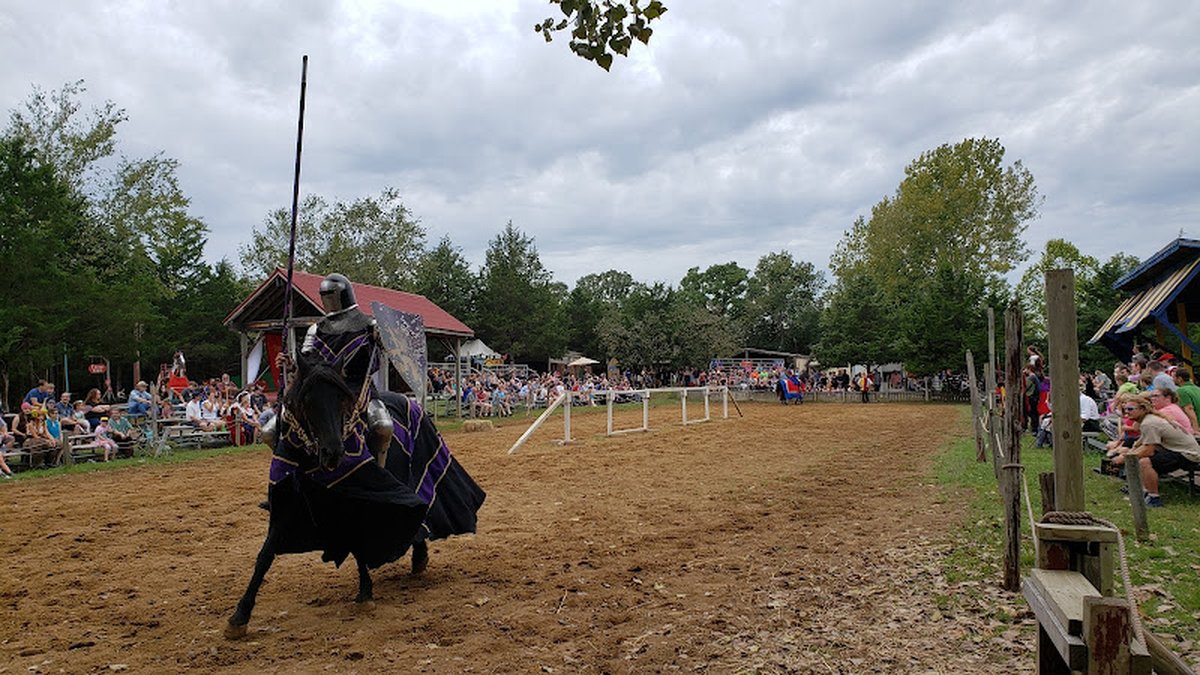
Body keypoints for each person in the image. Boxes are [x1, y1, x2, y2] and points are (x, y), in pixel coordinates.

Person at [269, 273, 392, 464]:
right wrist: (291, 364)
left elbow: (391, 350)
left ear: (345, 295)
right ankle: (292, 466)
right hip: (321, 389)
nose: (329, 300)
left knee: (383, 426)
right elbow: (308, 362)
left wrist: (383, 337)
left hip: (358, 388)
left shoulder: (369, 325)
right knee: (269, 431)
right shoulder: (316, 329)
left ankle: (380, 469)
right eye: (325, 295)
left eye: (332, 295)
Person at [1109, 393, 1200, 507]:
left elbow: (1148, 450)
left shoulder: (1149, 423)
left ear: (1142, 409)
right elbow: (1141, 443)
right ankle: (1142, 492)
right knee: (1137, 456)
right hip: (1177, 451)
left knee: (1145, 462)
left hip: (1189, 455)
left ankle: (1154, 499)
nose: (1126, 412)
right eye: (1125, 409)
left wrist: (1125, 458)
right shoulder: (1148, 420)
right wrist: (1125, 452)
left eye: (1130, 409)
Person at [1172, 366, 1200, 432]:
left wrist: (1195, 429)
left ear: (1180, 379)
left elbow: (1189, 409)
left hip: (1196, 425)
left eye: (1174, 377)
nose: (1172, 379)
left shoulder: (1181, 391)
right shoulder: (1197, 388)